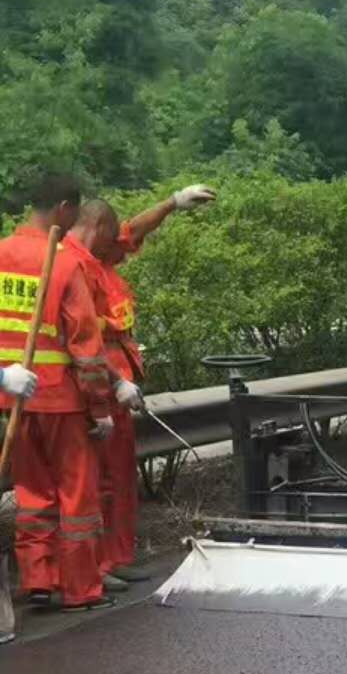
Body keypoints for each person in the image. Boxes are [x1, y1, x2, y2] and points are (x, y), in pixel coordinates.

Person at [65, 185, 215, 587]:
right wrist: (107, 391)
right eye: (111, 234)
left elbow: (132, 232)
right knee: (96, 480)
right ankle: (95, 567)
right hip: (95, 383)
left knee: (117, 476)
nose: (121, 243)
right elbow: (80, 339)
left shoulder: (99, 256)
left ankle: (115, 558)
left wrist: (173, 203)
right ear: (97, 228)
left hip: (117, 381)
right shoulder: (73, 264)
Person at [0, 172, 115, 611]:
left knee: (32, 495)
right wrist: (100, 406)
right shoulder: (64, 262)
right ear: (64, 209)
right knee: (77, 498)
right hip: (62, 401)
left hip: (14, 399)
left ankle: (38, 579)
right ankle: (81, 589)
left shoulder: (1, 254)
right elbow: (86, 346)